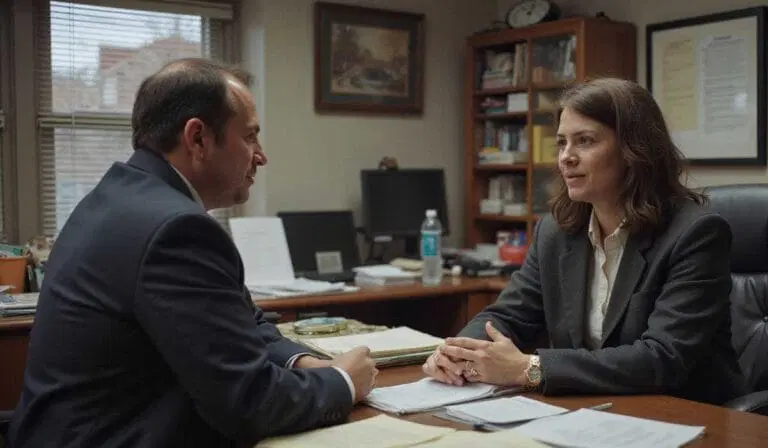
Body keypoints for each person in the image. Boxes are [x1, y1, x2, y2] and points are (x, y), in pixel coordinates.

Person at [9, 59, 377, 447]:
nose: (261, 156)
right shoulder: (175, 230)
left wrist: (300, 361)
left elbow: (242, 320)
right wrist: (342, 382)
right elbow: (248, 403)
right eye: (250, 137)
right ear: (198, 138)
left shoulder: (117, 197)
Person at [423, 77, 746, 405]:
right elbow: (509, 315)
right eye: (562, 143)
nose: (566, 157)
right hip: (592, 407)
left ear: (634, 150)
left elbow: (663, 358)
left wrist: (529, 368)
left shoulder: (695, 234)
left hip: (686, 414)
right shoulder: (556, 231)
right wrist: (458, 351)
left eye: (585, 141)